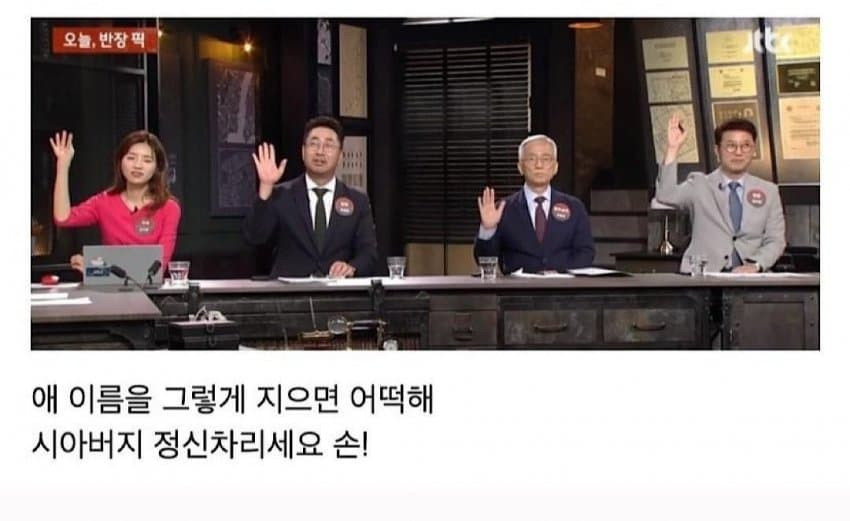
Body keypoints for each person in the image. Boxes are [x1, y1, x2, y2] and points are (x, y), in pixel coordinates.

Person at [243, 116, 378, 278]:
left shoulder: (357, 200)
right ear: (303, 152)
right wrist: (265, 187)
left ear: (340, 155)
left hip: (337, 290)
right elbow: (255, 237)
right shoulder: (281, 195)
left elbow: (369, 254)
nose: (320, 151)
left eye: (328, 145)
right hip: (289, 291)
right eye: (314, 144)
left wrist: (351, 267)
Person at [655, 113, 786, 273]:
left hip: (751, 278)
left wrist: (755, 265)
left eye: (746, 146)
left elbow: (776, 240)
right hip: (703, 275)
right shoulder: (699, 184)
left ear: (753, 150)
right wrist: (673, 149)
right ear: (717, 150)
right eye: (731, 146)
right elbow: (665, 194)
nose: (738, 152)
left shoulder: (769, 191)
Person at [51, 129, 181, 271]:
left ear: (157, 167)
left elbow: (157, 267)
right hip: (110, 285)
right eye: (131, 158)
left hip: (149, 286)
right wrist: (63, 166)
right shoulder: (104, 202)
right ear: (120, 162)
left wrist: (97, 268)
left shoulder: (169, 208)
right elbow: (63, 218)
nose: (138, 165)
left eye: (147, 160)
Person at [474, 134, 595, 273]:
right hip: (517, 286)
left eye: (546, 159)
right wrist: (488, 229)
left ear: (555, 167)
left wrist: (559, 275)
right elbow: (484, 260)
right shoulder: (502, 209)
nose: (539, 165)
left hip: (562, 285)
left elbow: (586, 253)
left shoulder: (575, 207)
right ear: (520, 167)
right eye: (531, 159)